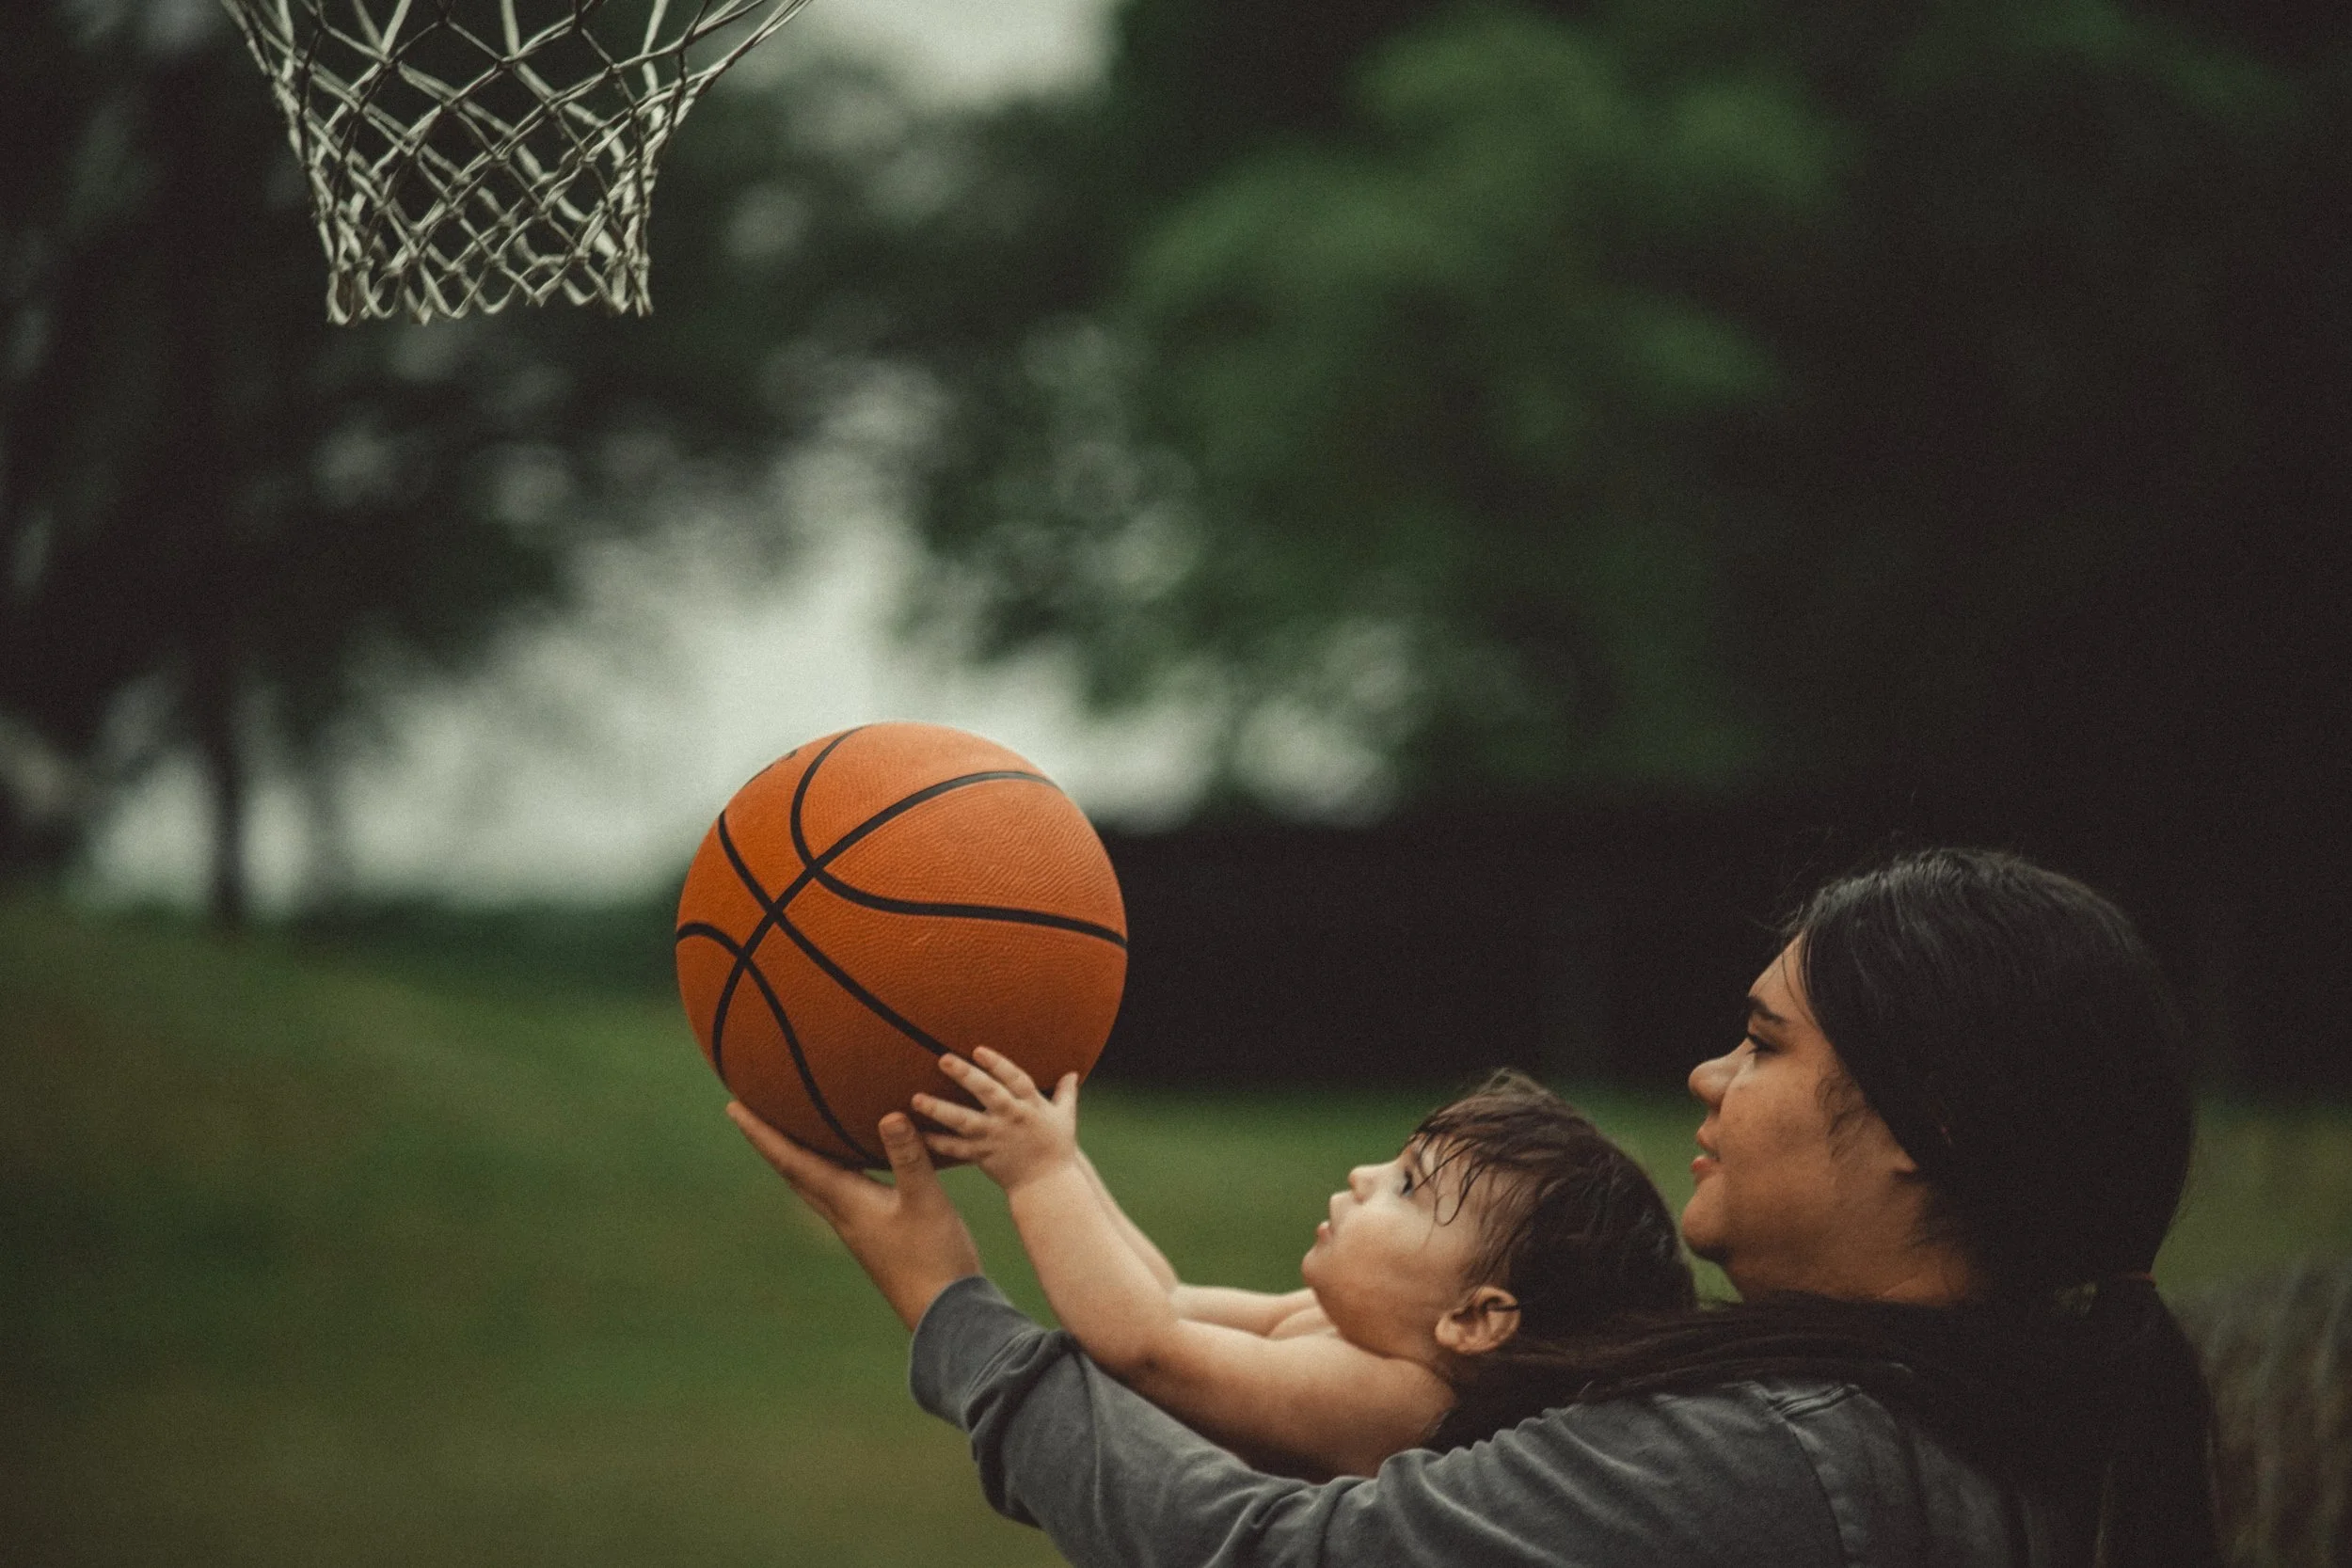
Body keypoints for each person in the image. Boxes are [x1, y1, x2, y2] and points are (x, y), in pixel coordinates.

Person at [731, 848, 2221, 1567]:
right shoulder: (2020, 1424)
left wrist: (951, 1307)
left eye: (1765, 1042)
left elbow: (1257, 1553)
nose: (1708, 1073)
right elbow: (1175, 1315)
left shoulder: (1777, 1461)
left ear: (1925, 1128)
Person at [902, 1053, 1692, 1479]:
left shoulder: (1401, 1399)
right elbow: (1167, 1300)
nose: (1362, 1175)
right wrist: (1065, 1159)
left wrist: (1039, 1177)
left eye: (1408, 1186)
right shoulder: (1352, 1331)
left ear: (1475, 1318)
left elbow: (1145, 1345)